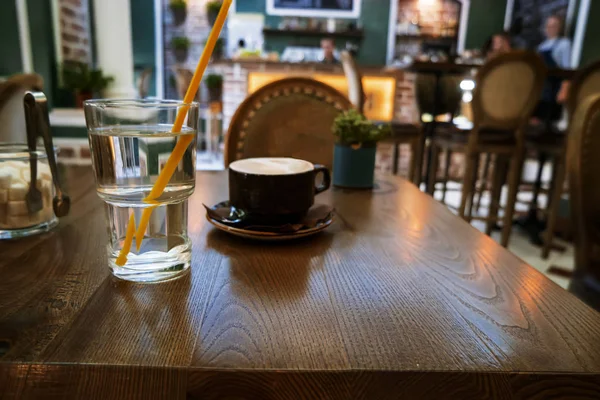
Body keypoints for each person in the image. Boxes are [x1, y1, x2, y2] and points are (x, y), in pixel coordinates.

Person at [534, 14, 572, 122]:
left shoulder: (564, 44)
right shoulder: (541, 46)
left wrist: (564, 89)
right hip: (541, 87)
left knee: (550, 119)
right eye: (548, 26)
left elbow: (567, 69)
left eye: (554, 25)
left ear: (559, 28)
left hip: (554, 88)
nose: (550, 28)